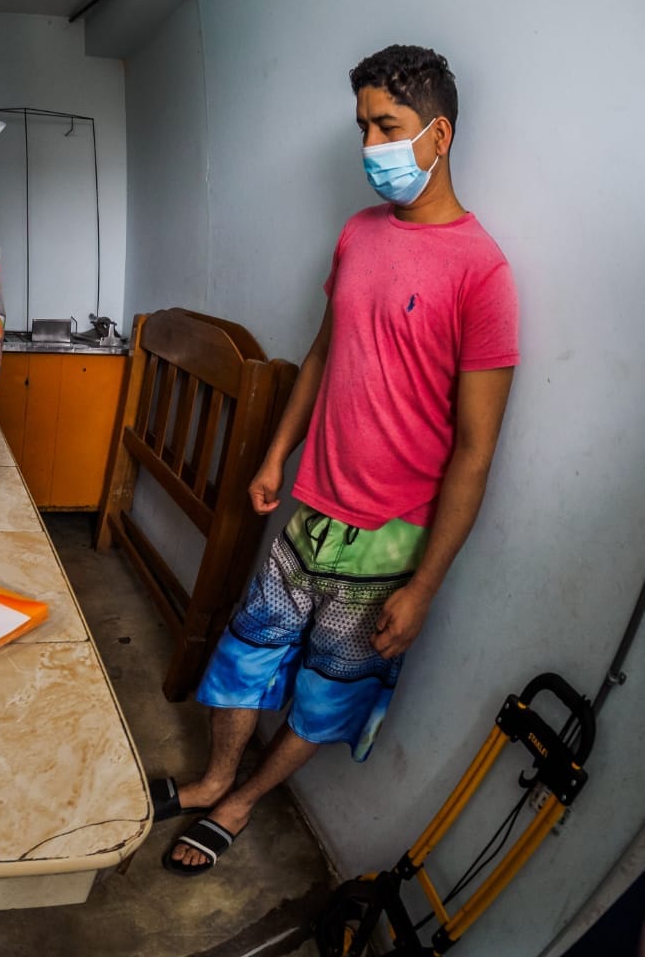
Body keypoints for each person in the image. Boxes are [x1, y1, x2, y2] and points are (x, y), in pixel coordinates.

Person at [150, 45, 519, 876]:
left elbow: (474, 449)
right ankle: (214, 780)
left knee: (329, 692)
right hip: (308, 506)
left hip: (389, 539)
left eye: (385, 126)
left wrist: (422, 586)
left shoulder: (481, 271)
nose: (369, 147)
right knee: (247, 652)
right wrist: (277, 455)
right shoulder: (357, 234)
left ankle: (241, 806)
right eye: (361, 127)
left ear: (437, 133)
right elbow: (323, 352)